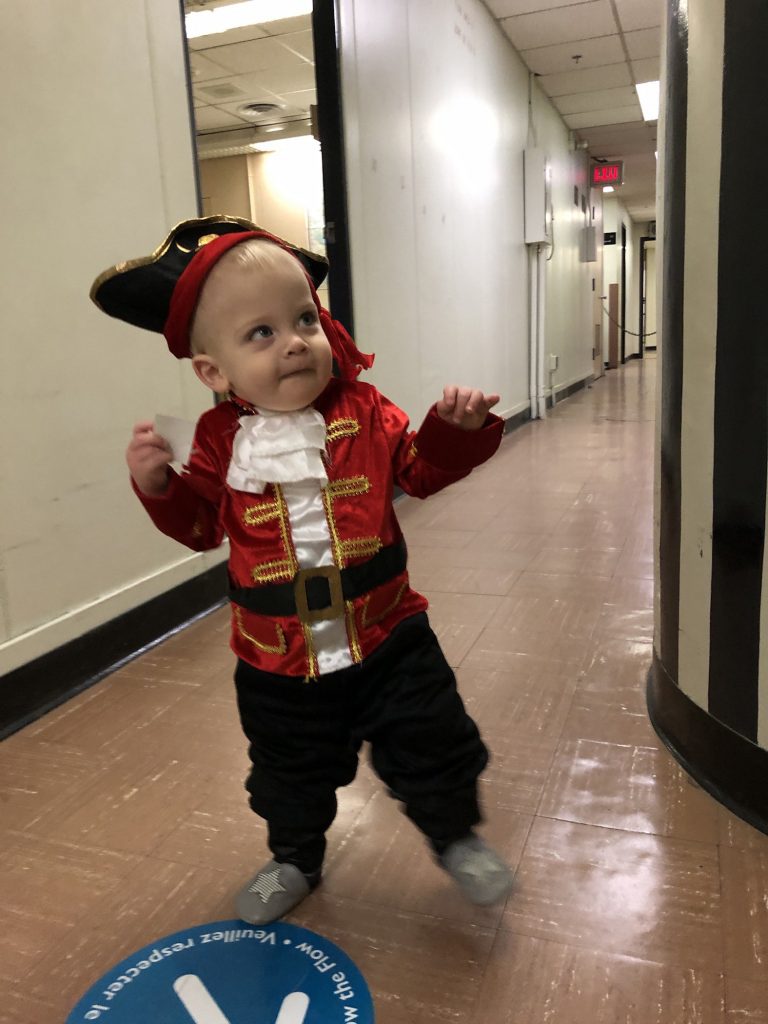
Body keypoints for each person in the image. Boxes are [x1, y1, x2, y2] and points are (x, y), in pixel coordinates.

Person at [90, 215, 513, 924]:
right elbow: (200, 528)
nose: (293, 341)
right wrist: (161, 487)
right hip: (275, 660)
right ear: (213, 371)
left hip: (388, 637)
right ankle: (294, 857)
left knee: (431, 738)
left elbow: (420, 469)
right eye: (260, 333)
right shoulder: (219, 442)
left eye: (303, 320)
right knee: (289, 771)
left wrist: (455, 432)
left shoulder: (365, 410)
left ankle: (454, 837)